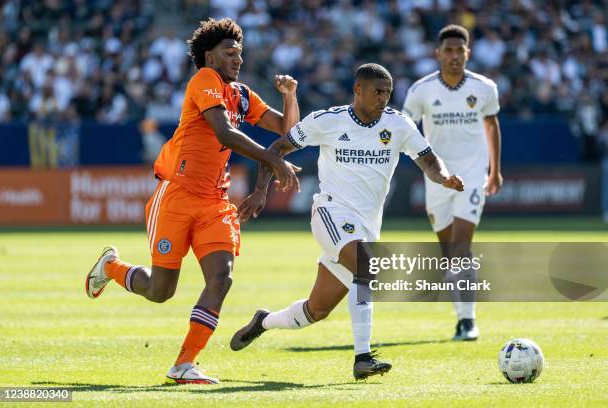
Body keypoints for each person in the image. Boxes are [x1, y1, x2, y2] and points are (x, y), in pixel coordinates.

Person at [85, 18, 301, 384]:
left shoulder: (242, 94)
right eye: (229, 52)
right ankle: (112, 268)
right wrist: (273, 160)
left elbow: (288, 130)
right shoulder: (205, 80)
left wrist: (290, 96)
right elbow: (225, 133)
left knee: (222, 277)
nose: (238, 59)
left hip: (215, 200)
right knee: (160, 291)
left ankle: (183, 364)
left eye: (240, 53)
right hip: (178, 194)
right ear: (209, 56)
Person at [230, 63, 464, 380]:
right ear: (358, 90)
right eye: (377, 92)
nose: (383, 99)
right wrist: (260, 190)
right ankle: (363, 358)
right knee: (367, 267)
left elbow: (427, 158)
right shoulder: (327, 121)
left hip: (365, 227)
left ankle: (264, 321)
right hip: (330, 212)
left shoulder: (399, 125)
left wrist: (445, 177)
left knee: (317, 310)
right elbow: (279, 146)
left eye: (387, 93)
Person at [403, 25, 503, 341]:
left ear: (468, 53)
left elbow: (492, 125)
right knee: (449, 252)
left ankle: (468, 321)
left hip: (472, 178)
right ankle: (461, 313)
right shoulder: (421, 90)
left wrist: (495, 170)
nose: (454, 56)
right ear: (438, 54)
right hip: (438, 180)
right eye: (449, 50)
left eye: (460, 50)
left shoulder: (484, 88)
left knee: (461, 247)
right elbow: (406, 127)